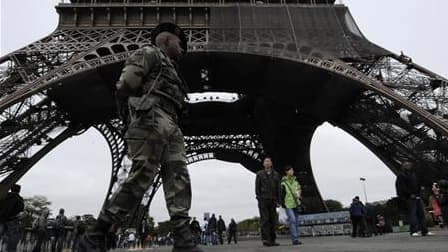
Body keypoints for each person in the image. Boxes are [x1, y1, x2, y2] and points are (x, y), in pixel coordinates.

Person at [79, 22, 203, 252]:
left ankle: (183, 236)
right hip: (151, 117)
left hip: (171, 123)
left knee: (178, 176)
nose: (184, 48)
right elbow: (126, 84)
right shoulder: (148, 53)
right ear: (166, 41)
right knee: (142, 175)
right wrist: (135, 114)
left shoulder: (173, 68)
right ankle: (97, 233)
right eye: (180, 43)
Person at [395, 161, 434, 237]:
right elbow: (401, 187)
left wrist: (419, 194)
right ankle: (413, 231)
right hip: (410, 197)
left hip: (416, 196)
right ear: (403, 166)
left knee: (421, 214)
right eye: (407, 165)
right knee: (413, 214)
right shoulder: (401, 175)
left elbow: (417, 184)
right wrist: (409, 195)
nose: (409, 166)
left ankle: (424, 231)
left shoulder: (413, 174)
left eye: (409, 165)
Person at [255, 156, 280, 246]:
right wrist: (259, 199)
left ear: (271, 163)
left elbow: (278, 189)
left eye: (268, 161)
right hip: (263, 200)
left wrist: (278, 201)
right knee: (265, 220)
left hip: (273, 200)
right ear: (263, 164)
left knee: (272, 220)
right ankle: (266, 239)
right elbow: (257, 188)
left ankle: (272, 240)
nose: (267, 163)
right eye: (265, 161)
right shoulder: (259, 174)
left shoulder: (276, 174)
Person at [279, 165, 302, 245]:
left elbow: (299, 189)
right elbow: (281, 194)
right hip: (288, 204)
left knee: (295, 221)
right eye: (291, 170)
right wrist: (282, 203)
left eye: (292, 170)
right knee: (292, 220)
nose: (292, 171)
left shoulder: (296, 182)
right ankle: (295, 239)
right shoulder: (283, 183)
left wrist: (299, 194)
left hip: (296, 203)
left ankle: (295, 238)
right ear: (286, 172)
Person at [0, 184, 24, 252]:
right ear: (19, 190)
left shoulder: (4, 196)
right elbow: (21, 209)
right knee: (13, 237)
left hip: (1, 219)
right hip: (12, 220)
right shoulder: (19, 199)